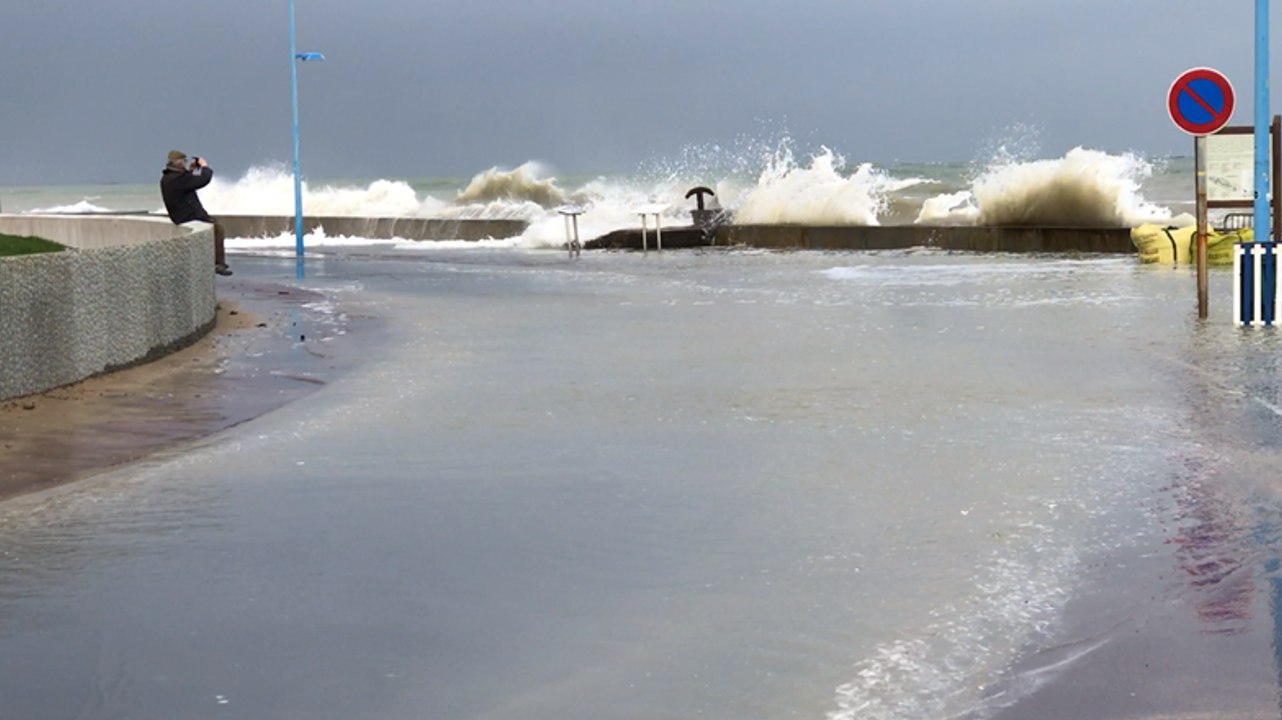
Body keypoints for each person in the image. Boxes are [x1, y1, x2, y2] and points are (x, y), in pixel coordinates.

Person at [160, 150, 232, 276]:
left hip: (179, 217)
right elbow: (203, 180)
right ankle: (218, 264)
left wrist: (191, 170)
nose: (185, 163)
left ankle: (216, 262)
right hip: (189, 217)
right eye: (184, 161)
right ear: (179, 162)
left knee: (214, 227)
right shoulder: (177, 179)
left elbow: (186, 183)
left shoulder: (167, 178)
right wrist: (204, 166)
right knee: (217, 229)